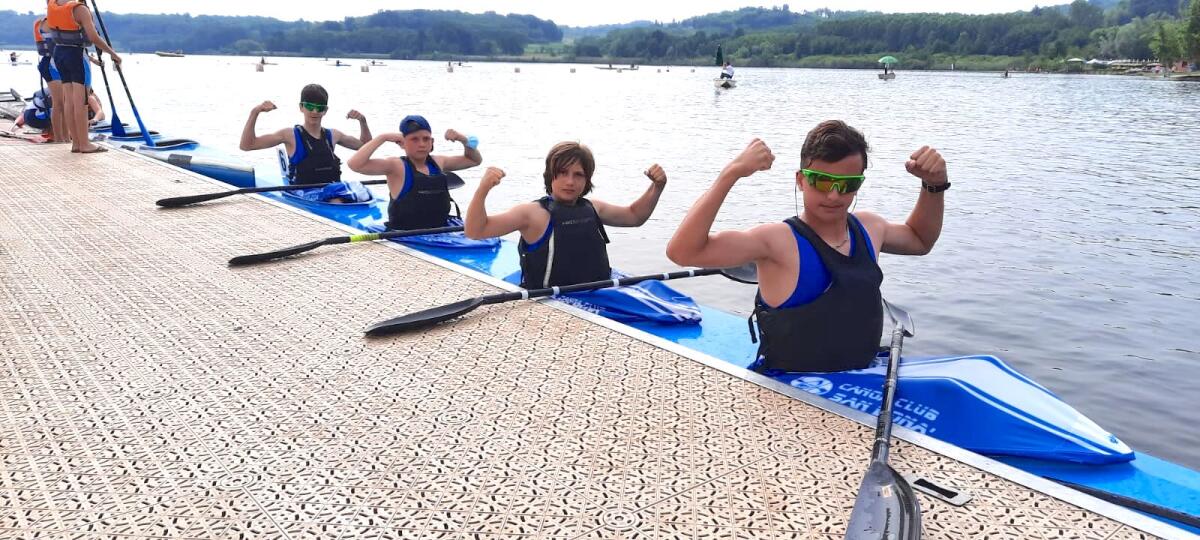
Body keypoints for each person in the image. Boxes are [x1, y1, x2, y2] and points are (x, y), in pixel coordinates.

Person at [665, 120, 949, 373]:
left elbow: (920, 240)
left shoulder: (870, 228)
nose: (835, 195)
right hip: (793, 394)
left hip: (861, 383)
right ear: (801, 180)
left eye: (847, 185)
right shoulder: (777, 241)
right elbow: (682, 252)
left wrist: (933, 185)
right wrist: (731, 173)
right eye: (822, 182)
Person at [464, 142, 668, 289]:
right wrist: (483, 189)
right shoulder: (531, 214)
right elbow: (475, 231)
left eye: (578, 174)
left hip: (600, 292)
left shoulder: (594, 208)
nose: (570, 181)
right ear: (549, 176)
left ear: (587, 180)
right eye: (562, 173)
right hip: (551, 298)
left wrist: (657, 186)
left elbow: (634, 217)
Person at [239, 84, 372, 202]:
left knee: (364, 192)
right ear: (301, 107)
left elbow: (366, 147)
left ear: (325, 110)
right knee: (337, 199)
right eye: (309, 106)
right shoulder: (289, 135)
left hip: (331, 190)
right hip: (302, 192)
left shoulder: (334, 135)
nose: (314, 112)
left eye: (319, 108)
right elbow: (247, 145)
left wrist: (363, 121)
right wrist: (255, 112)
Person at [347, 115, 481, 230]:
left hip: (441, 230)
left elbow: (473, 160)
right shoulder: (395, 166)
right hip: (405, 233)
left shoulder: (439, 162)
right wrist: (382, 138)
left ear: (432, 142)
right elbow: (355, 164)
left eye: (426, 139)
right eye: (414, 139)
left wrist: (463, 140)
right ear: (402, 143)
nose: (421, 144)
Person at [46, 0, 121, 153]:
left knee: (69, 101)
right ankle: (85, 144)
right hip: (76, 54)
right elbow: (93, 37)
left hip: (59, 53)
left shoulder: (53, 4)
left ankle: (76, 143)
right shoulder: (80, 9)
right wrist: (113, 54)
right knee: (81, 103)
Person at [33, 16, 69, 143]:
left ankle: (66, 137)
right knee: (58, 103)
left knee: (65, 103)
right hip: (50, 64)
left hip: (59, 63)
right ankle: (59, 138)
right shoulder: (47, 21)